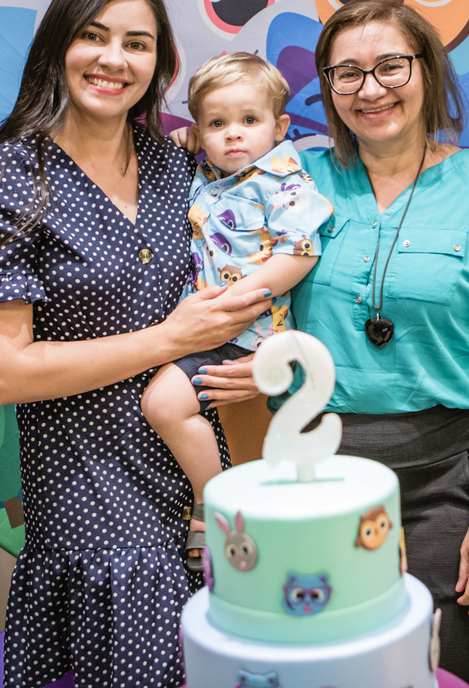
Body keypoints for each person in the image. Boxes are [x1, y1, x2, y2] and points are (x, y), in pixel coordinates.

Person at [0, 0, 270, 688]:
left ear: (159, 64)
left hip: (198, 474)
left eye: (137, 44)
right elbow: (2, 373)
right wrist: (170, 339)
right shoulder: (14, 172)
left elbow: (260, 245)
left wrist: (251, 359)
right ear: (58, 46)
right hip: (88, 487)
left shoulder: (179, 164)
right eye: (94, 36)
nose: (114, 59)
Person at [290, 0, 469, 686]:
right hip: (317, 475)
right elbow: (211, 210)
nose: (370, 90)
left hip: (443, 483)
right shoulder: (295, 182)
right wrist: (194, 142)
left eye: (390, 66)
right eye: (347, 73)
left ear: (427, 68)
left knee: (431, 673)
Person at [142, 52, 332, 569]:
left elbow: (300, 253)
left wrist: (235, 301)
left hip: (247, 335)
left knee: (168, 407)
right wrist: (189, 138)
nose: (233, 135)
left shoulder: (285, 182)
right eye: (217, 124)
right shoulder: (208, 170)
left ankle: (214, 510)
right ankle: (216, 502)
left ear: (280, 127)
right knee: (162, 406)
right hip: (207, 331)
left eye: (249, 120)